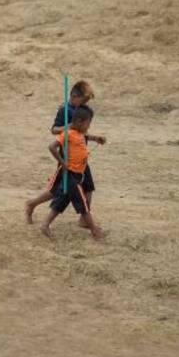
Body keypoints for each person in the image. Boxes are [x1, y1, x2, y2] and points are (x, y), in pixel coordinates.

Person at [24, 80, 105, 223]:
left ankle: (84, 220)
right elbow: (54, 130)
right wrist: (68, 126)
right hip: (68, 156)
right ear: (73, 96)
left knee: (88, 187)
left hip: (80, 157)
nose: (83, 104)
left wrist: (94, 138)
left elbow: (80, 133)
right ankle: (32, 203)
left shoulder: (80, 109)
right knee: (58, 190)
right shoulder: (65, 110)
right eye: (82, 100)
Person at [41, 105, 103, 241]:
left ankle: (45, 225)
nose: (89, 126)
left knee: (61, 201)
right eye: (88, 123)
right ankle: (94, 231)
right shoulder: (68, 133)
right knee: (83, 204)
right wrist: (63, 162)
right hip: (71, 175)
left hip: (78, 174)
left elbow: (86, 137)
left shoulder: (80, 134)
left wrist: (97, 139)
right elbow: (52, 147)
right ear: (80, 122)